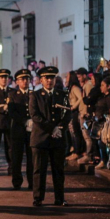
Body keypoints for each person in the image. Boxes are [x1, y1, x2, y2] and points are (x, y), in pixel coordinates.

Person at [30, 66, 71, 207]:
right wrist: (52, 128)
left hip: (58, 138)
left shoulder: (62, 94)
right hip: (41, 138)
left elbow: (67, 113)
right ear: (41, 80)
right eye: (46, 78)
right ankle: (38, 198)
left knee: (58, 170)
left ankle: (60, 198)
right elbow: (35, 116)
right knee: (39, 170)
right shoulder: (35, 95)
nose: (49, 80)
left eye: (52, 78)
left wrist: (59, 128)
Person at [9, 69, 33, 190]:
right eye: (22, 79)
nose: (25, 81)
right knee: (16, 157)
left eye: (27, 79)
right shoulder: (13, 95)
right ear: (17, 81)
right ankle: (17, 181)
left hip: (32, 131)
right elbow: (12, 112)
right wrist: (25, 121)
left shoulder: (34, 94)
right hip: (18, 130)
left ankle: (32, 181)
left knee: (31, 157)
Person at [93, 77, 110, 169]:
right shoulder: (103, 97)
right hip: (99, 122)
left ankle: (104, 160)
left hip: (105, 123)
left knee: (102, 142)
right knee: (99, 141)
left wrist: (102, 116)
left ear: (109, 86)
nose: (101, 87)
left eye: (103, 85)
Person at [76, 68, 94, 164]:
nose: (78, 79)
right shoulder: (86, 85)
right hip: (83, 112)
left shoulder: (88, 85)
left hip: (85, 113)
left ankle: (89, 155)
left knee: (87, 136)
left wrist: (85, 113)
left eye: (79, 76)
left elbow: (88, 101)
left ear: (84, 75)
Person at [66, 71, 84, 161]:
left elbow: (80, 98)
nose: (66, 78)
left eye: (68, 76)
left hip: (74, 112)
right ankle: (74, 151)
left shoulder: (75, 88)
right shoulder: (71, 88)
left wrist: (74, 106)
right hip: (71, 111)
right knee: (72, 132)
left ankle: (77, 152)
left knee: (75, 132)